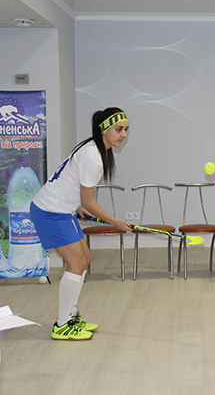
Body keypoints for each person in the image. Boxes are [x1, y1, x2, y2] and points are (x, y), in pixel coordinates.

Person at [30, 107, 132, 340]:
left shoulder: (93, 149)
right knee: (76, 263)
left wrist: (77, 206)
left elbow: (70, 182)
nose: (123, 134)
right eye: (119, 129)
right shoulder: (92, 157)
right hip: (50, 212)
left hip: (62, 211)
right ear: (104, 130)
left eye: (126, 129)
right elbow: (88, 200)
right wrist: (114, 221)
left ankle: (72, 315)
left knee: (84, 259)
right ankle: (62, 324)